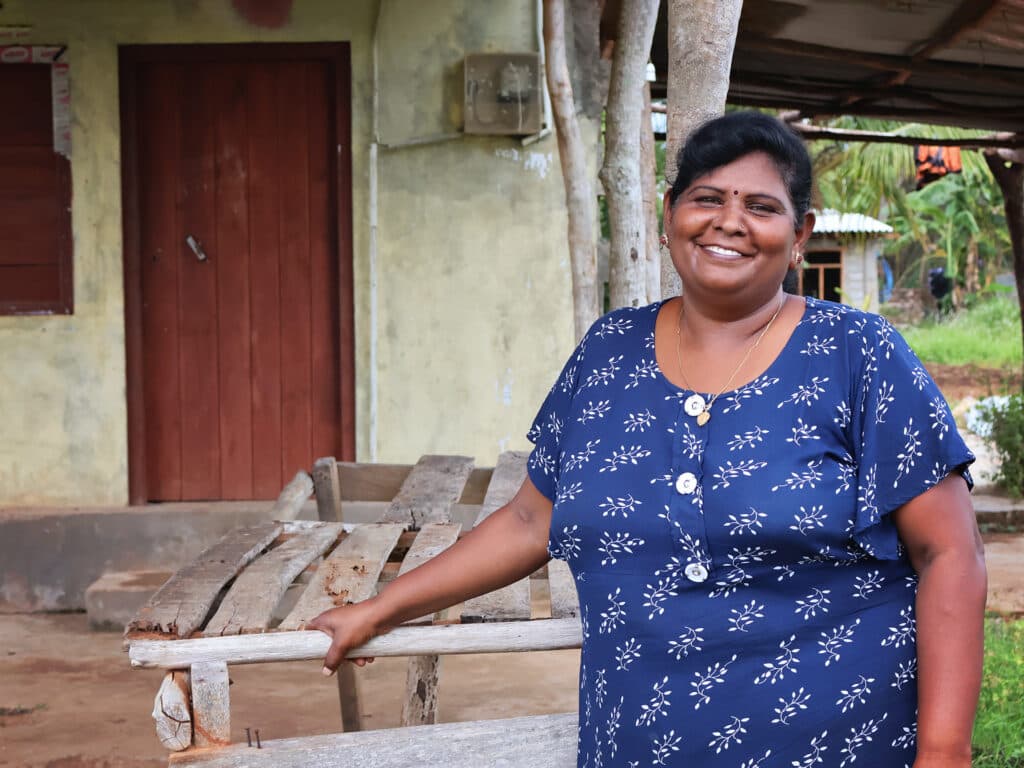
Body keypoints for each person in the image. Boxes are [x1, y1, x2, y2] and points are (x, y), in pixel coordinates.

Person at [310, 111, 986, 767]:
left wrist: (944, 752)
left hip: (840, 741)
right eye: (707, 198)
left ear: (801, 232)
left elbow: (949, 552)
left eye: (761, 205)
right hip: (638, 740)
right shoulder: (610, 353)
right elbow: (527, 520)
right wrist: (383, 608)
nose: (730, 221)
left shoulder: (858, 355)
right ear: (669, 218)